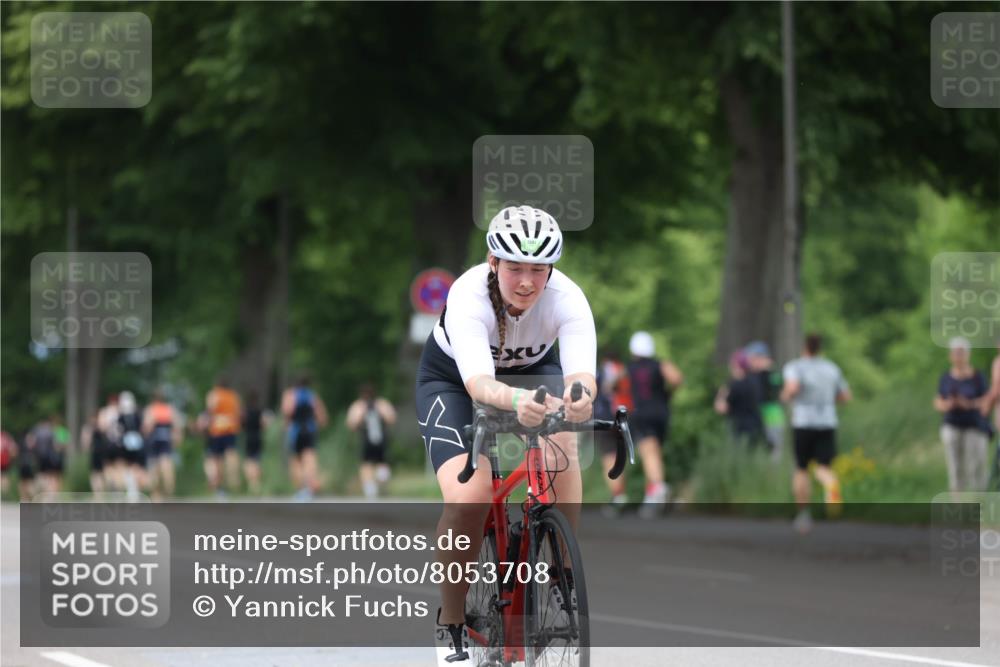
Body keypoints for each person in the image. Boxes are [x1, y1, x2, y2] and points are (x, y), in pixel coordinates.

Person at [415, 205, 596, 665]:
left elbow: (581, 374)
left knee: (563, 447)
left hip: (533, 372)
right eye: (515, 267)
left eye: (539, 270)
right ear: (493, 262)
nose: (526, 282)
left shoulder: (568, 297)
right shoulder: (467, 296)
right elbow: (478, 384)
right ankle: (452, 622)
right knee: (469, 497)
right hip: (455, 381)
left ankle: (561, 569)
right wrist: (518, 403)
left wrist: (578, 398)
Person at [781, 333, 852, 534]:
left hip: (803, 422)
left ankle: (803, 514)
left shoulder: (795, 366)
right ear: (820, 348)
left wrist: (785, 395)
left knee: (801, 469)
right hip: (827, 422)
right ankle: (831, 485)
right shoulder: (831, 368)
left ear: (804, 347)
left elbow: (793, 389)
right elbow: (846, 396)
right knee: (823, 467)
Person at [626, 330, 683, 519]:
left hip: (642, 414)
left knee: (648, 452)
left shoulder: (630, 368)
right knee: (656, 452)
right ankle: (653, 493)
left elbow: (613, 384)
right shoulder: (659, 364)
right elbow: (676, 378)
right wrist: (668, 393)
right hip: (661, 412)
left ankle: (657, 488)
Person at [934, 337, 991, 493]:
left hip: (974, 426)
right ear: (951, 355)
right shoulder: (946, 377)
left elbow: (987, 400)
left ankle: (978, 504)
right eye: (956, 352)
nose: (959, 356)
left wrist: (969, 404)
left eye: (961, 352)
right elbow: (938, 401)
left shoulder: (978, 377)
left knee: (976, 468)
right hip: (952, 425)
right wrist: (948, 405)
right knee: (955, 469)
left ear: (968, 354)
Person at [596, 349, 632, 516]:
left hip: (602, 417)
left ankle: (618, 496)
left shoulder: (601, 370)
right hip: (620, 415)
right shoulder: (621, 367)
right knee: (619, 455)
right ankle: (621, 494)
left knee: (609, 457)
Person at [281, 375, 329, 500]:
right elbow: (322, 416)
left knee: (296, 461)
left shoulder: (290, 394)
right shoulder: (312, 396)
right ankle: (310, 486)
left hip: (295, 431)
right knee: (310, 458)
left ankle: (302, 489)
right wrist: (320, 424)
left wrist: (286, 425)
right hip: (310, 430)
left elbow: (287, 411)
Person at [346, 383, 397, 499]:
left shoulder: (358, 405)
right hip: (380, 439)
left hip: (368, 440)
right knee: (380, 463)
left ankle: (371, 488)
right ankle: (378, 481)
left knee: (366, 465)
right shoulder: (382, 403)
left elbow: (351, 424)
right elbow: (392, 418)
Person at [714, 350, 765, 449]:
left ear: (735, 365)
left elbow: (721, 409)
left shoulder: (734, 385)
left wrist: (720, 395)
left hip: (739, 429)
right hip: (756, 426)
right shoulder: (754, 381)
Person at [744, 340, 786, 461]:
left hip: (772, 417)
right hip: (758, 417)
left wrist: (767, 371)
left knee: (774, 454)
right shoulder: (754, 375)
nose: (750, 363)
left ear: (759, 358)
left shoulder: (772, 373)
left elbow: (777, 391)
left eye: (752, 359)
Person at [205, 378, 242, 498]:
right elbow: (238, 412)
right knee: (231, 454)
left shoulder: (214, 394)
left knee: (216, 459)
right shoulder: (233, 396)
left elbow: (210, 409)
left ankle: (219, 486)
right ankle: (234, 481)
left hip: (217, 429)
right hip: (231, 428)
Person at [143, 390, 181, 500]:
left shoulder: (150, 409)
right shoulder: (169, 409)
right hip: (166, 439)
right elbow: (177, 426)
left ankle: (156, 494)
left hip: (154, 439)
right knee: (167, 465)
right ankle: (169, 490)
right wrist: (176, 438)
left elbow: (147, 427)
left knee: (154, 468)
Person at [118, 391, 147, 501]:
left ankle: (132, 490)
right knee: (134, 467)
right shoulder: (136, 415)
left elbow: (119, 430)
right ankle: (133, 490)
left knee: (129, 466)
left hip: (128, 442)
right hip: (135, 442)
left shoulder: (122, 416)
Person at [241, 390, 271, 495]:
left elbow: (241, 424)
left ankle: (253, 483)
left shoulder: (245, 411)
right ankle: (256, 482)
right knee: (257, 460)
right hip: (258, 437)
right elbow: (265, 424)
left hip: (249, 437)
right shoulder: (260, 411)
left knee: (249, 461)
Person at [27, 415, 64, 495]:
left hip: (39, 456)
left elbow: (30, 443)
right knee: (51, 475)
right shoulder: (51, 431)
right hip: (50, 457)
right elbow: (56, 445)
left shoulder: (36, 430)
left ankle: (41, 490)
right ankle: (49, 491)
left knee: (42, 474)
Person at [97, 393, 125, 492]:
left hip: (108, 442)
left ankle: (111, 484)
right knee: (120, 467)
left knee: (107, 466)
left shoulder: (104, 412)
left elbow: (101, 427)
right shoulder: (121, 412)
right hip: (119, 443)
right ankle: (119, 489)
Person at [1, 430, 16, 497]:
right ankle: (4, 495)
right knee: (5, 477)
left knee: (3, 477)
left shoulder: (5, 436)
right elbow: (13, 450)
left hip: (3, 459)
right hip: (5, 460)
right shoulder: (6, 436)